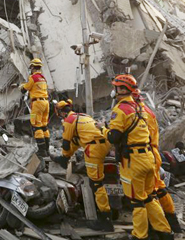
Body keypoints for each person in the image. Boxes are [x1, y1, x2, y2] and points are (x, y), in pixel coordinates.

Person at [102, 74, 172, 240]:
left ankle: (140, 235)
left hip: (134, 161)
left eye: (116, 87)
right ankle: (165, 231)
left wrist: (103, 129)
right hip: (148, 158)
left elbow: (114, 137)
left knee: (137, 201)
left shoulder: (120, 109)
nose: (114, 90)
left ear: (121, 89)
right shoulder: (140, 108)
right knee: (149, 197)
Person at [53, 99, 114, 231]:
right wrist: (66, 156)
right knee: (102, 179)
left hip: (94, 149)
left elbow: (66, 143)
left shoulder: (68, 121)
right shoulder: (83, 117)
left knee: (96, 184)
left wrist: (63, 156)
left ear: (62, 113)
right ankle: (110, 212)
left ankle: (106, 220)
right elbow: (76, 141)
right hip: (105, 143)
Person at [132, 89, 182, 233]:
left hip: (144, 155)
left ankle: (157, 229)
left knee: (145, 196)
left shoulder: (138, 113)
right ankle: (173, 225)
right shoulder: (146, 110)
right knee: (159, 189)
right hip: (153, 154)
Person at [20, 58, 50, 157]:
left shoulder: (33, 77)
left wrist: (21, 87)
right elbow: (33, 87)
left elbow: (25, 89)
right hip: (46, 103)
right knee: (44, 126)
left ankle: (41, 151)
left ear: (32, 67)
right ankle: (47, 149)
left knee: (36, 126)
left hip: (37, 103)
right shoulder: (43, 78)